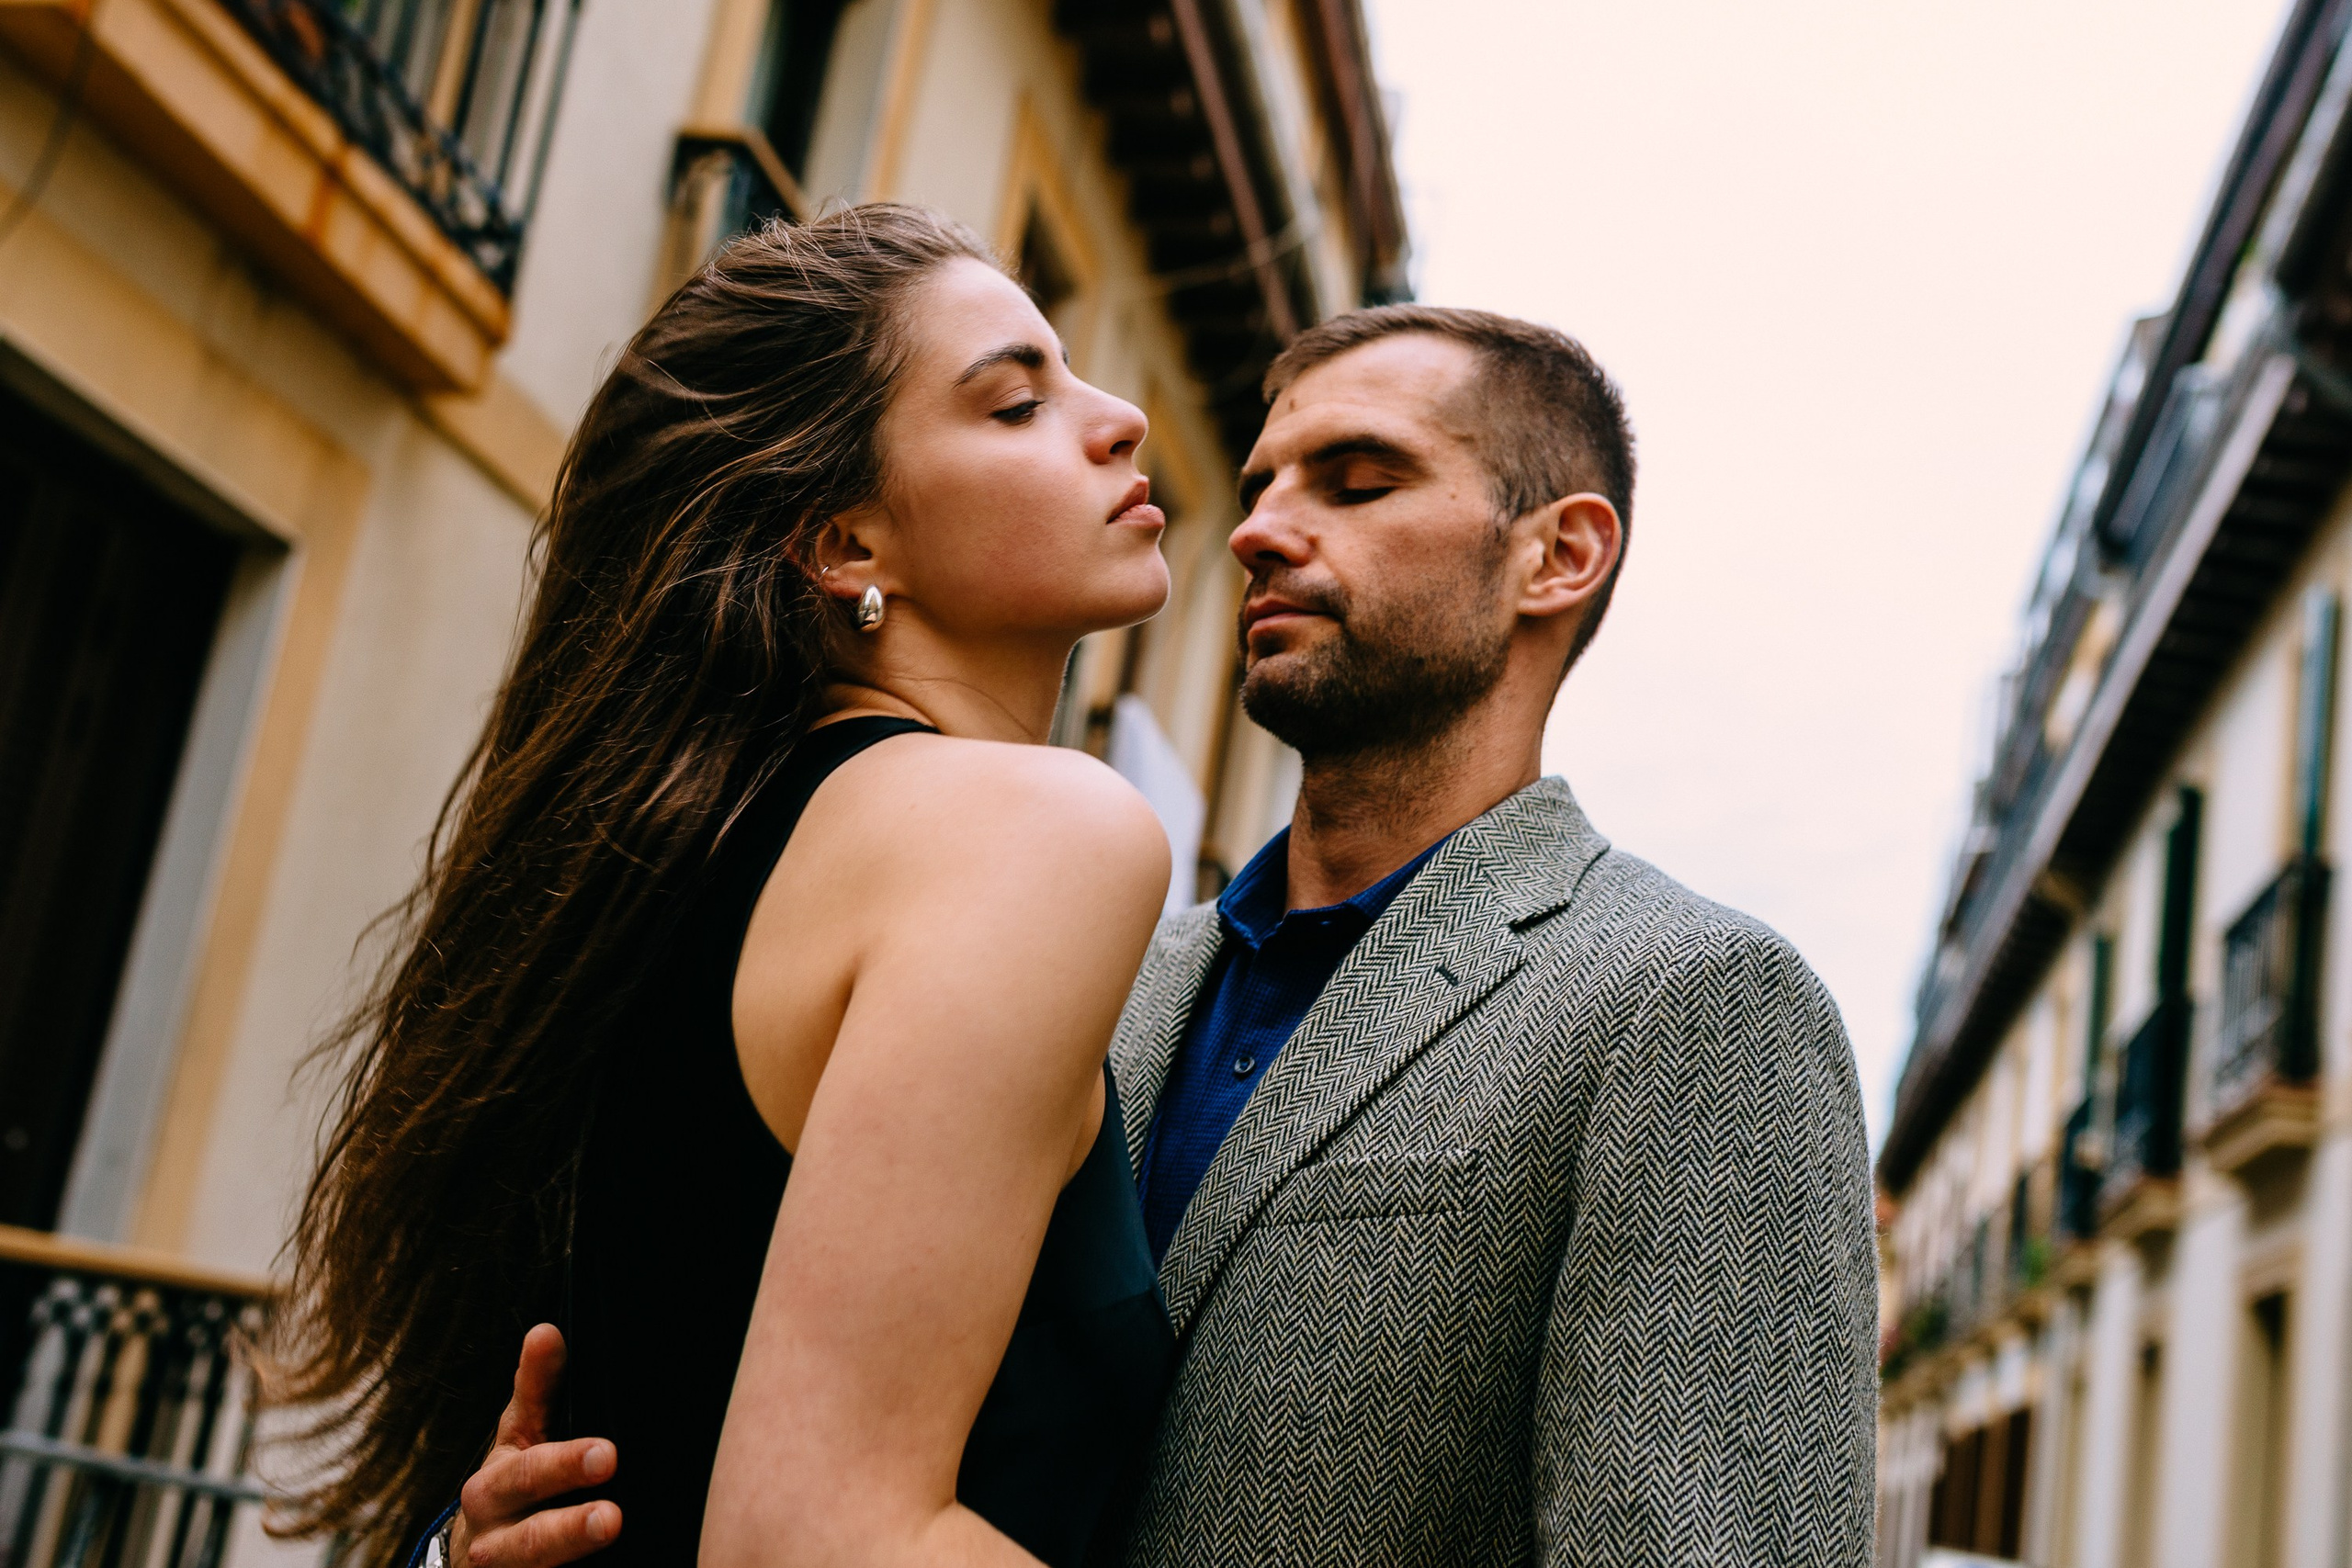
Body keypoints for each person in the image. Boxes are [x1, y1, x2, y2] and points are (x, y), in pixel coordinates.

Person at [447, 300, 1880, 1568]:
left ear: (1557, 555)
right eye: (1256, 486)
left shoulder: (1695, 1008)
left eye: (1360, 479)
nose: (1254, 528)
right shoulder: (1075, 956)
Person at [275, 205, 1204, 1568]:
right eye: (1015, 403)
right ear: (847, 549)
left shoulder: (661, 872)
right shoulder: (1027, 832)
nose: (1117, 417)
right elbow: (814, 1538)